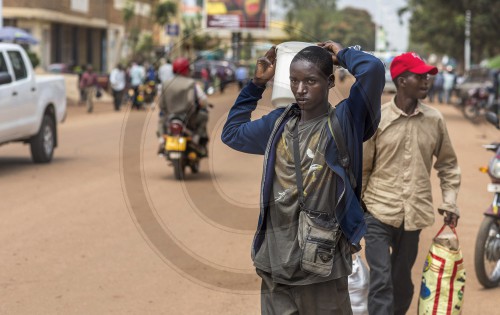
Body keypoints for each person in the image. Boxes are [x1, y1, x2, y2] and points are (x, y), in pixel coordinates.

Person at [221, 42, 385, 314]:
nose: (300, 89)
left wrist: (341, 55)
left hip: (322, 266)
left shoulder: (345, 121)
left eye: (311, 81)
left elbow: (374, 69)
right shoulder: (278, 124)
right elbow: (232, 134)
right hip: (275, 263)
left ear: (330, 82)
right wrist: (256, 84)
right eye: (294, 80)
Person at [362, 52, 461, 315]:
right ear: (401, 80)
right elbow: (362, 168)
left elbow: (448, 165)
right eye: (420, 75)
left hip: (414, 214)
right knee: (381, 280)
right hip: (377, 211)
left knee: (402, 282)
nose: (427, 80)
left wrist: (450, 202)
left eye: (428, 75)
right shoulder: (378, 118)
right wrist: (354, 212)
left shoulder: (434, 120)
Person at [157, 57, 210, 156]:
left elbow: (161, 104)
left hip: (170, 117)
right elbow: (203, 100)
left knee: (161, 120)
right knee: (204, 116)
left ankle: (161, 141)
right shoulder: (192, 84)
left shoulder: (165, 84)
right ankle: (196, 138)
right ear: (187, 70)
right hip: (189, 119)